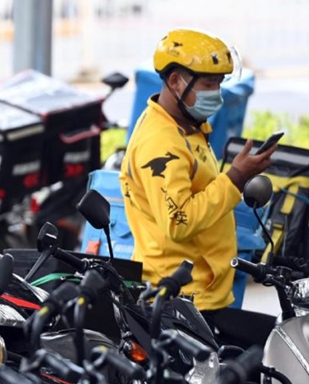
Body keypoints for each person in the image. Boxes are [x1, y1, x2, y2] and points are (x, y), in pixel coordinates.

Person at [119, 29, 279, 347]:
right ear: (177, 81)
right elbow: (179, 221)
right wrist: (234, 178)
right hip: (180, 298)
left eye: (219, 83)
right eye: (209, 84)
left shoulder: (188, 127)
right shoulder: (161, 142)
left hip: (205, 293)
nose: (216, 93)